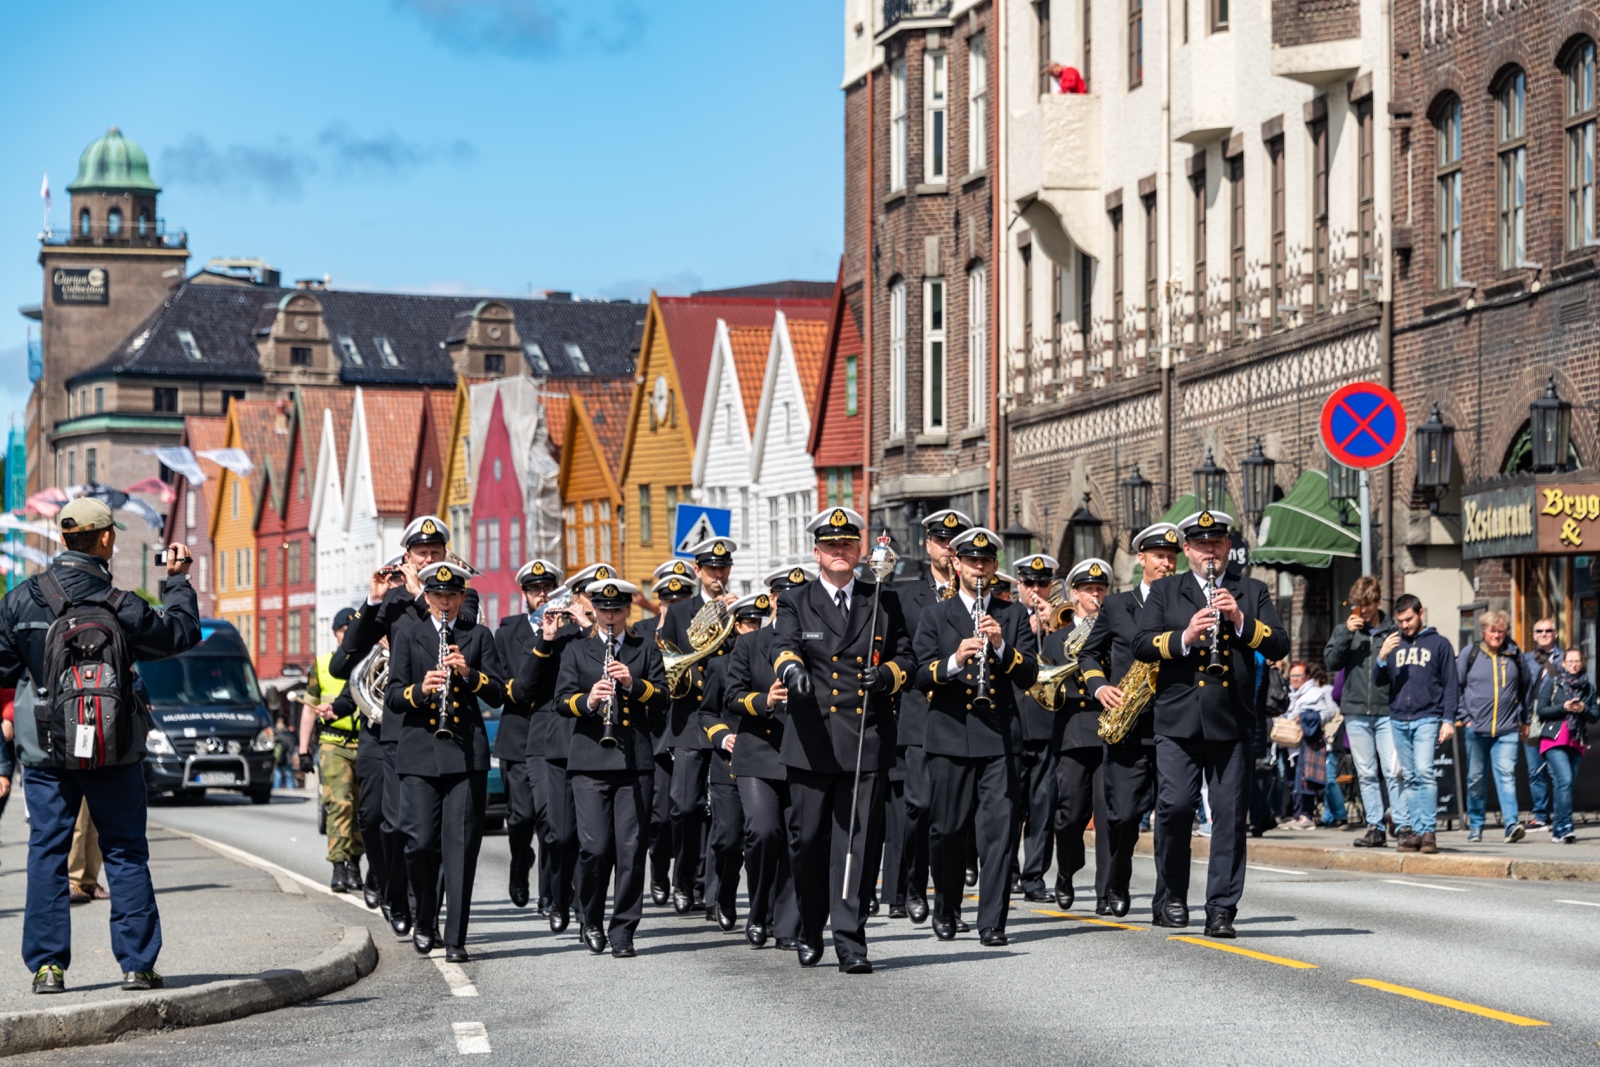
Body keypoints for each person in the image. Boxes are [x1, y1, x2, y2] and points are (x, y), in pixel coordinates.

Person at [0, 498, 200, 994]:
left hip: (46, 751)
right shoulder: (121, 603)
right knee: (126, 851)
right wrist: (175, 581)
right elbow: (180, 633)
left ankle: (48, 969)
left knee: (47, 850)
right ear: (106, 539)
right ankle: (137, 965)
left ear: (62, 538)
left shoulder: (21, 601)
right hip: (115, 749)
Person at [1133, 509, 1288, 939]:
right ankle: (1173, 896)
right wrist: (1184, 637)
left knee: (1229, 817)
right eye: (1201, 546)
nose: (1210, 553)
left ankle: (1220, 908)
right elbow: (1141, 644)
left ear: (1226, 547)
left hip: (1231, 721)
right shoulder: (1166, 591)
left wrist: (1240, 621)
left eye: (1217, 545)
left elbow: (1279, 641)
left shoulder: (1250, 590)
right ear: (1187, 551)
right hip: (1178, 720)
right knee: (1176, 807)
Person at [773, 507, 914, 974]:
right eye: (831, 546)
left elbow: (907, 656)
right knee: (808, 841)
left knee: (855, 843)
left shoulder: (882, 599)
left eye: (848, 545)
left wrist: (889, 675)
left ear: (859, 551)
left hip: (863, 740)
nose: (840, 552)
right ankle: (810, 927)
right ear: (817, 552)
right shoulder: (797, 599)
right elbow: (784, 645)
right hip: (812, 738)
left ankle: (851, 941)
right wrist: (791, 670)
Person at [332, 516, 479, 940]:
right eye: (421, 554)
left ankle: (421, 910)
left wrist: (421, 596)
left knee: (420, 831)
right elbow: (344, 661)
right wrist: (373, 601)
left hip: (434, 732)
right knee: (380, 820)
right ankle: (396, 897)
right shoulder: (392, 601)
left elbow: (455, 632)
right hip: (393, 725)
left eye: (436, 553)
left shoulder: (459, 597)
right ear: (407, 556)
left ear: (446, 555)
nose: (428, 560)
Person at [913, 526, 1038, 946]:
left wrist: (1001, 648)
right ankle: (947, 907)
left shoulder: (1012, 614)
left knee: (999, 834)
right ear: (957, 564)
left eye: (986, 562)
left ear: (995, 566)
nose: (979, 569)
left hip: (1000, 737)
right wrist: (954, 660)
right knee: (946, 830)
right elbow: (918, 673)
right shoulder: (935, 615)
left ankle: (992, 923)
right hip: (949, 735)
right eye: (971, 562)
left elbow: (1030, 674)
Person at [384, 561, 505, 962]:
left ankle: (455, 939)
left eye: (452, 596)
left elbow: (499, 693)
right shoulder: (409, 636)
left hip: (465, 754)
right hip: (419, 752)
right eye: (438, 596)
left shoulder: (478, 635)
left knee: (461, 849)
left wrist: (468, 673)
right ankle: (424, 918)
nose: (445, 603)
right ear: (429, 598)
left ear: (461, 598)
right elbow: (394, 696)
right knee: (419, 843)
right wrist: (421, 690)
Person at [553, 578, 668, 957]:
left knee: (632, 850)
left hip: (635, 761)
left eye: (618, 610)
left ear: (628, 611)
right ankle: (590, 917)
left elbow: (663, 696)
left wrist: (633, 684)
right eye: (604, 610)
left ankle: (623, 931)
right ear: (595, 611)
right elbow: (561, 701)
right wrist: (589, 700)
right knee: (596, 848)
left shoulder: (643, 648)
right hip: (589, 760)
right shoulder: (576, 650)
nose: (611, 618)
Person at [1083, 522, 1181, 916]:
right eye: (1160, 557)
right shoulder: (1117, 605)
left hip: (1173, 724)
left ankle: (1167, 898)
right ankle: (1117, 882)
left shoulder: (1183, 602)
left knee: (1173, 815)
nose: (1167, 565)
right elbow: (1090, 654)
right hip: (1127, 725)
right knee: (1123, 815)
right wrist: (1100, 688)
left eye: (1172, 558)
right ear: (1141, 559)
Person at [885, 508, 972, 925]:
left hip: (964, 718)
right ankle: (913, 884)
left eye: (955, 544)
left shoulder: (975, 595)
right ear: (928, 545)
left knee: (950, 813)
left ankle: (946, 899)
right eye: (941, 542)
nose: (948, 549)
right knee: (918, 806)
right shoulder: (905, 595)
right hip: (920, 712)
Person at [725, 568, 809, 949]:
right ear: (773, 600)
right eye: (781, 595)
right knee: (762, 832)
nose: (788, 600)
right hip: (758, 753)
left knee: (800, 839)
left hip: (803, 754)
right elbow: (732, 696)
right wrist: (765, 701)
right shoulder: (750, 642)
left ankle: (787, 923)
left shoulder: (814, 642)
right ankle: (759, 909)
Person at [657, 539, 739, 916]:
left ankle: (712, 887)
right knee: (685, 805)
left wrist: (734, 621)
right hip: (689, 718)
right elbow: (667, 665)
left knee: (721, 812)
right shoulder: (678, 612)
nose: (718, 575)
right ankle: (683, 876)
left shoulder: (737, 612)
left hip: (723, 717)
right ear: (697, 571)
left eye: (723, 568)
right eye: (711, 569)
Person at [699, 592, 771, 933]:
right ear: (734, 626)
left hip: (763, 761)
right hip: (729, 762)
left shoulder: (774, 659)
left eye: (758, 622)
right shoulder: (719, 665)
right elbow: (707, 713)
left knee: (764, 836)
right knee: (728, 839)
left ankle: (764, 908)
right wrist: (722, 735)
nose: (752, 628)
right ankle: (725, 894)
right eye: (746, 623)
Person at [494, 559, 562, 908]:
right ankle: (520, 865)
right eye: (536, 590)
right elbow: (511, 683)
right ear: (525, 595)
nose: (543, 595)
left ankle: (549, 893)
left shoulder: (567, 632)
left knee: (550, 820)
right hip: (519, 734)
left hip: (551, 734)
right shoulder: (508, 633)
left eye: (548, 588)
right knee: (521, 817)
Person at [1049, 559, 1115, 911]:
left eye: (1101, 589)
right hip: (1073, 733)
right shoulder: (1057, 639)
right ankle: (1066, 870)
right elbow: (1046, 685)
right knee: (1070, 814)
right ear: (1074, 594)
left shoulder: (1113, 634)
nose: (1095, 595)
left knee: (1107, 815)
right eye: (1089, 590)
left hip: (1108, 729)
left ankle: (1105, 892)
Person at [1324, 576, 1406, 847]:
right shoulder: (1346, 630)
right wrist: (1346, 634)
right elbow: (1331, 662)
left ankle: (1403, 825)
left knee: (1393, 771)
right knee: (1366, 772)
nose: (1362, 610)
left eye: (1367, 604)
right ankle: (1375, 826)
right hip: (1356, 711)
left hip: (1386, 710)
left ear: (1377, 602)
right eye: (1357, 605)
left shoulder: (1392, 631)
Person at [1374, 594, 1458, 855]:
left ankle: (1429, 832)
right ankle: (1416, 832)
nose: (1405, 625)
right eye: (1400, 621)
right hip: (1399, 718)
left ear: (1421, 613)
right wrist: (1382, 656)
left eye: (1409, 619)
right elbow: (1379, 682)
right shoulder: (1394, 644)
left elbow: (1451, 684)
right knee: (1409, 777)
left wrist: (1448, 719)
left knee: (1423, 772)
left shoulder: (1440, 644)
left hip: (1427, 717)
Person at [298, 606, 365, 892]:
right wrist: (303, 750)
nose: (347, 635)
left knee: (363, 809)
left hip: (365, 742)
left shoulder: (367, 661)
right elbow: (309, 710)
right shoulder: (323, 664)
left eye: (353, 630)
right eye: (343, 631)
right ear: (335, 633)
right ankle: (339, 865)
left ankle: (355, 863)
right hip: (333, 743)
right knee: (340, 803)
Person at [1009, 552, 1062, 903]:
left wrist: (1054, 629)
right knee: (1010, 805)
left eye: (1043, 583)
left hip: (1048, 724)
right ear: (1019, 586)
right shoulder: (1007, 616)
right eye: (1029, 583)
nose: (1036, 590)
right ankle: (1007, 872)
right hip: (1013, 722)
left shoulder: (1061, 620)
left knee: (1042, 805)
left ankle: (1035, 879)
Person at [1456, 610, 1528, 843]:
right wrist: (1465, 716)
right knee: (1476, 779)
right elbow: (1456, 687)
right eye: (1492, 631)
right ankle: (1476, 826)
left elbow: (1526, 689)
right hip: (1476, 729)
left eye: (1501, 631)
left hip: (1507, 729)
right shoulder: (1471, 653)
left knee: (1506, 776)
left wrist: (1524, 718)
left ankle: (1510, 825)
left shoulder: (1515, 654)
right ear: (1483, 631)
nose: (1497, 635)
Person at [1534, 647, 1598, 843]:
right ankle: (1566, 827)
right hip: (1554, 739)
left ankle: (1558, 831)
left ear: (1581, 663)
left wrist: (1582, 708)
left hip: (1576, 739)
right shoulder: (1554, 683)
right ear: (1563, 663)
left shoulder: (1588, 687)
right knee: (1565, 780)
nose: (1574, 664)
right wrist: (1563, 707)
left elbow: (1595, 715)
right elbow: (1541, 711)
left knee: (1566, 786)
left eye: (1577, 661)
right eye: (1570, 661)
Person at [1281, 663, 1338, 829]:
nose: (1294, 679)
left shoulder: (1317, 693)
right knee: (1292, 780)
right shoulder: (1291, 694)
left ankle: (1306, 816)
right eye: (1292, 676)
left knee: (1305, 779)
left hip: (1308, 742)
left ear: (1307, 677)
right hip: (1290, 743)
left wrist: (1306, 717)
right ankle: (1297, 815)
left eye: (1298, 676)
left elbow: (1329, 712)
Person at [1521, 618, 1563, 831]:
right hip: (1532, 717)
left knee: (1557, 770)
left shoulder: (1566, 658)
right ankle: (1540, 816)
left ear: (1556, 634)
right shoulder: (1525, 659)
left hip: (1557, 717)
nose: (1544, 633)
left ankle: (1560, 816)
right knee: (1535, 769)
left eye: (1549, 630)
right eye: (1540, 631)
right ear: (1534, 634)